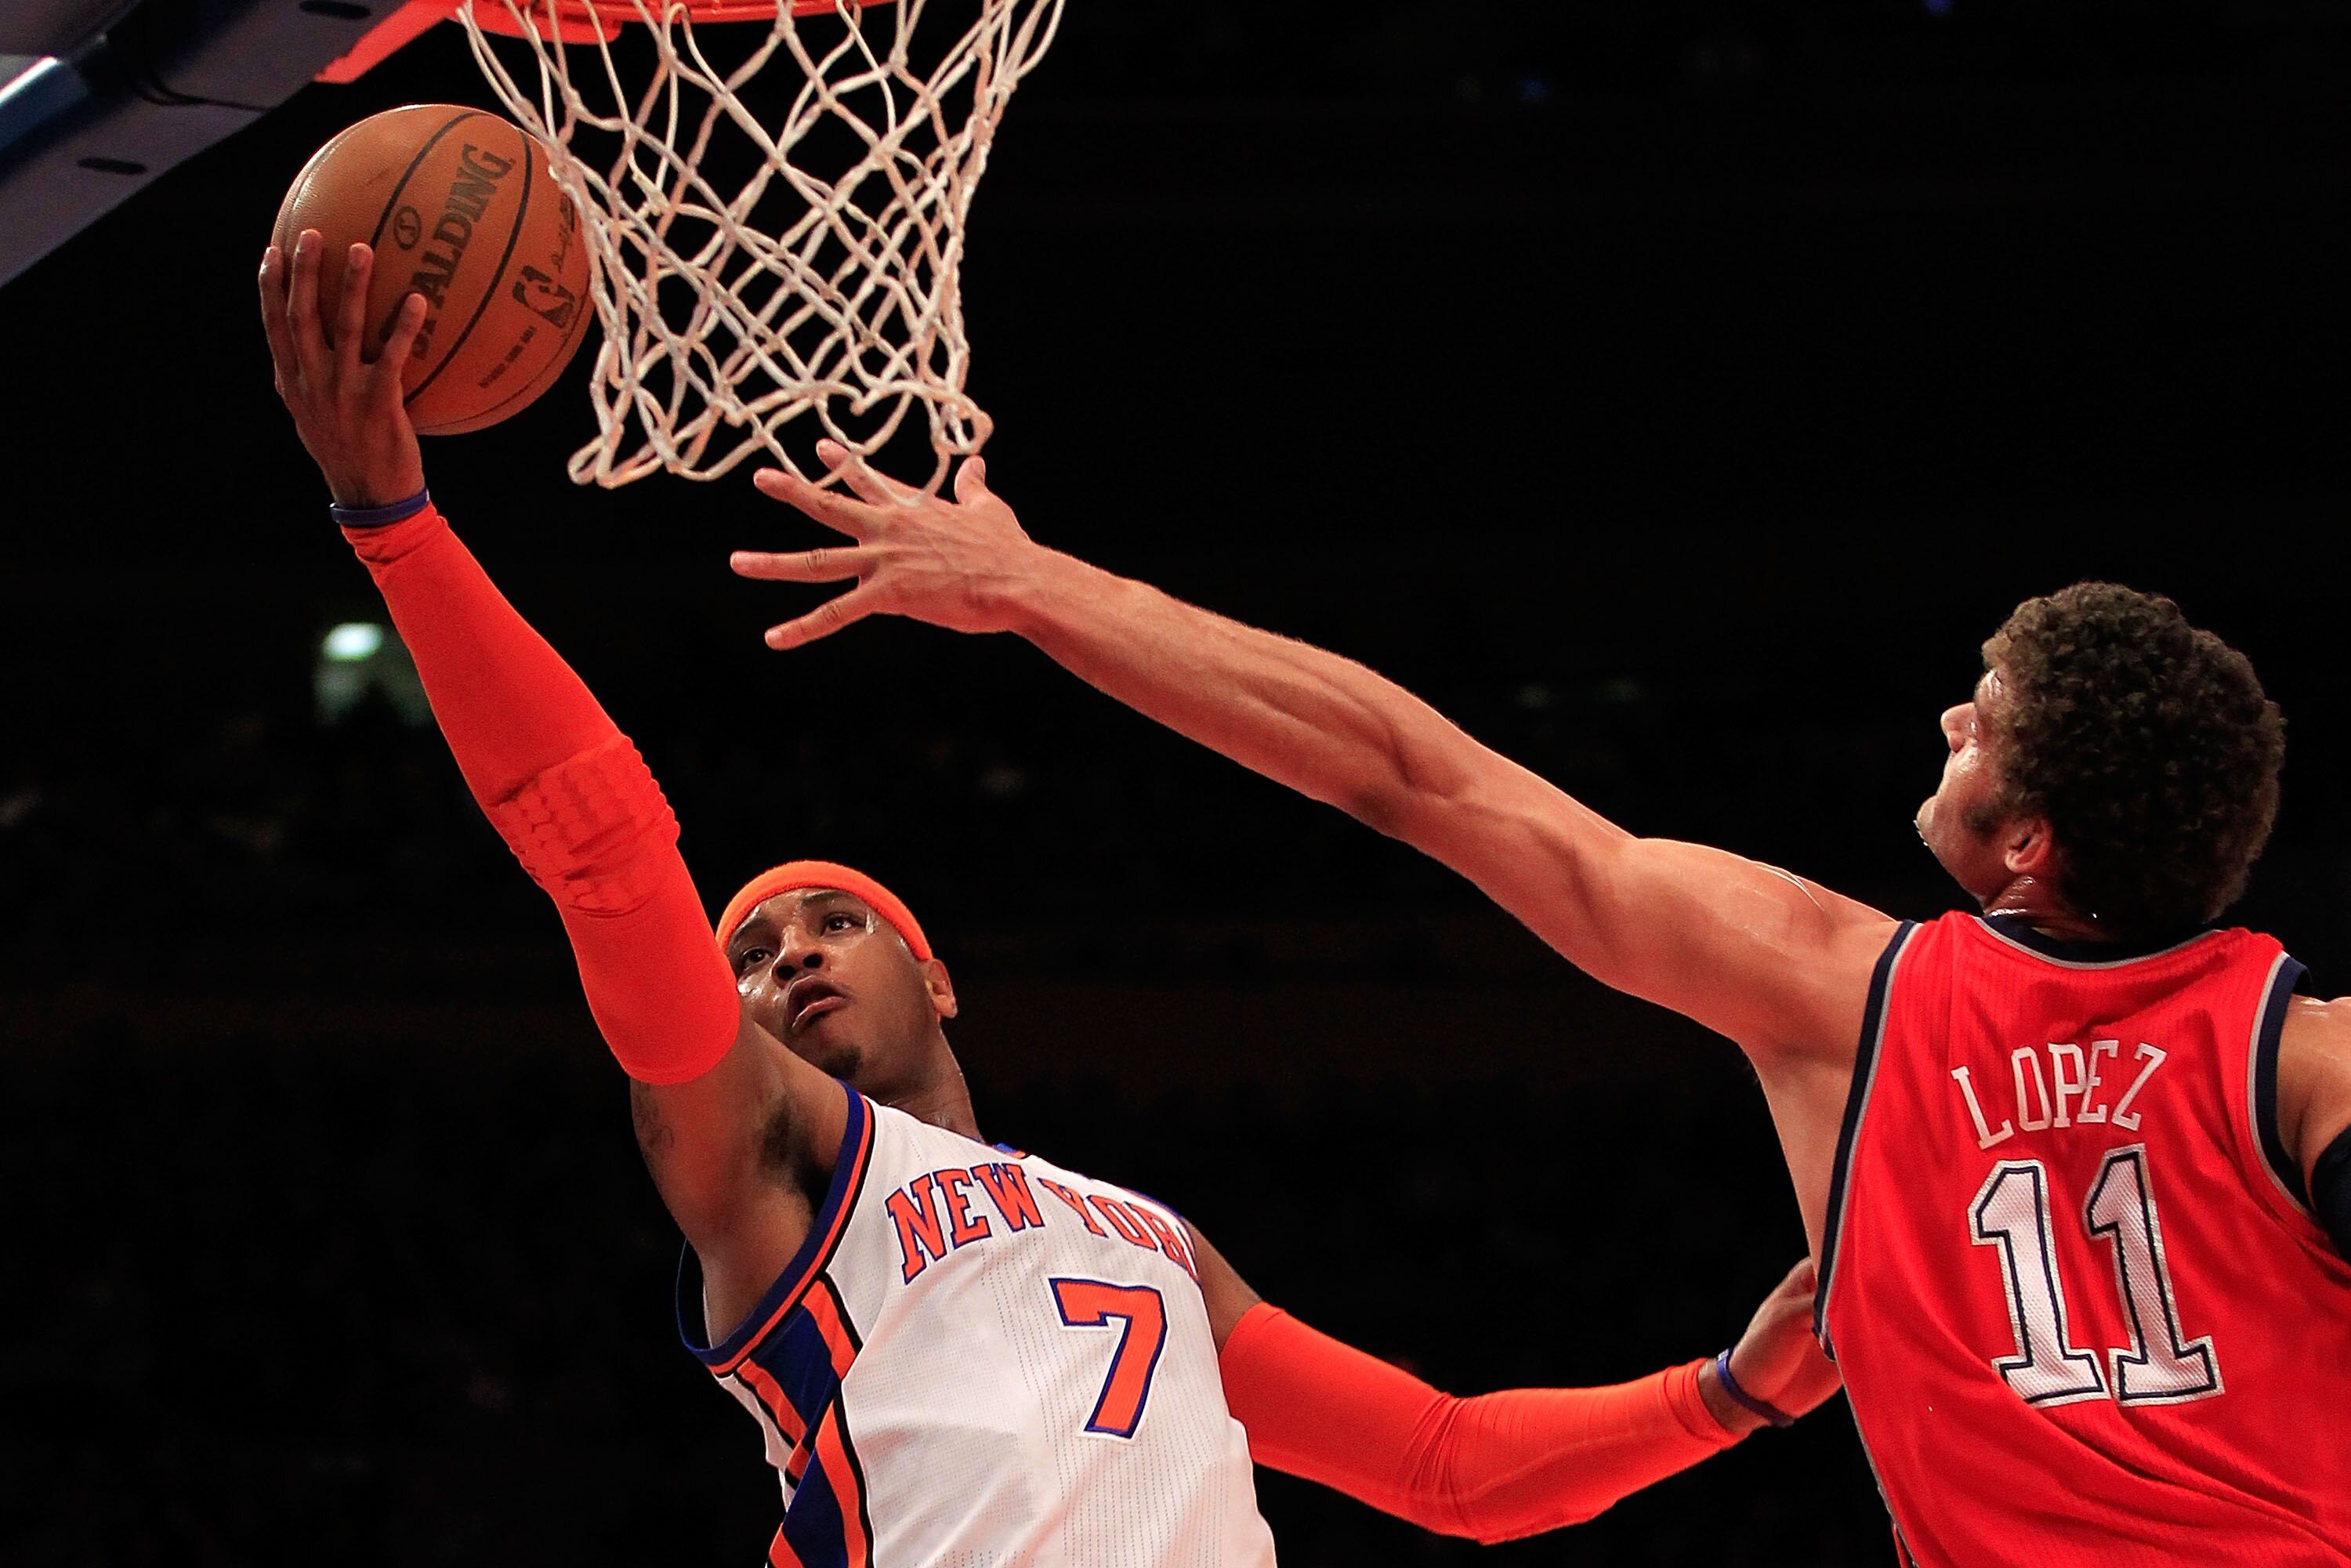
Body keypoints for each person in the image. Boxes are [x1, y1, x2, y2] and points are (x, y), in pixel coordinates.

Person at [257, 232, 1840, 1565]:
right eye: (749, 950)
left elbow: (1445, 1461)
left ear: (937, 974)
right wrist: (398, 530)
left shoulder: (1154, 1236)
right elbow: (605, 854)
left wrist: (1731, 1392)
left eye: (834, 920)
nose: (790, 954)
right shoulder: (774, 1163)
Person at [733, 443, 2351, 1566]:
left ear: (2034, 834)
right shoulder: (2303, 1038)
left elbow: (1408, 770)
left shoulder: (1846, 989)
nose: (1947, 708)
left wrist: (1034, 589)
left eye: (1981, 718)